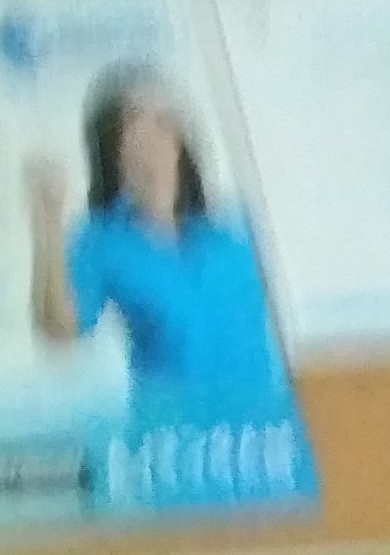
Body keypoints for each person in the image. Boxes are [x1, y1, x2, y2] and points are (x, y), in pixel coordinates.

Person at [24, 66, 289, 397]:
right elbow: (58, 330)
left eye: (164, 119)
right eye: (137, 119)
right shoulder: (103, 239)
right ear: (113, 143)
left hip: (259, 419)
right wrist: (47, 226)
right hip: (172, 424)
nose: (155, 134)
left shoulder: (233, 226)